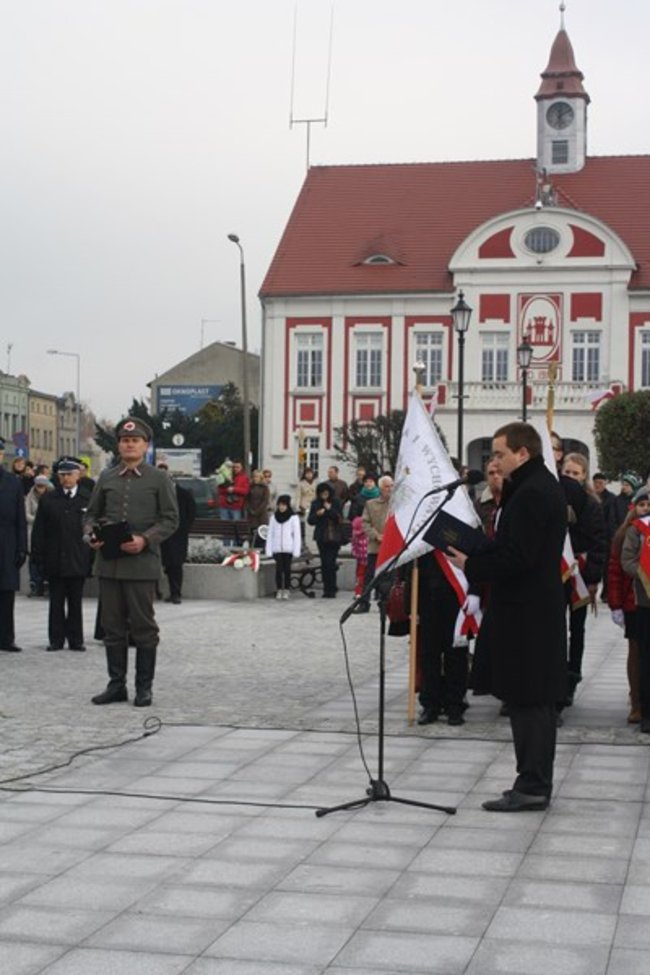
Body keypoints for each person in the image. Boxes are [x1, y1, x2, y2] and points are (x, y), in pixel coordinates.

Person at [448, 422, 567, 812]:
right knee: (527, 699)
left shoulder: (533, 493)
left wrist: (473, 563)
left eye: (498, 453)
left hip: (528, 613)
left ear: (522, 453)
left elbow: (520, 557)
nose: (492, 460)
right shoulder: (532, 487)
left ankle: (533, 784)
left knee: (531, 700)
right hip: (529, 609)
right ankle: (530, 780)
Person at [85, 417, 179, 707]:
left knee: (143, 627)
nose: (129, 444)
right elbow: (91, 514)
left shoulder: (159, 479)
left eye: (135, 440)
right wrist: (92, 535)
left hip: (141, 564)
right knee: (112, 627)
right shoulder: (107, 477)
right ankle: (116, 686)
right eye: (125, 441)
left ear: (145, 445)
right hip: (110, 563)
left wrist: (145, 539)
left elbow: (171, 519)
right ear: (119, 445)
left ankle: (143, 687)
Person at [31, 457, 92, 651]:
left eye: (69, 475)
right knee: (56, 602)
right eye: (62, 475)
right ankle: (56, 639)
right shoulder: (49, 499)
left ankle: (76, 639)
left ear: (78, 476)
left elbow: (94, 529)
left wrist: (91, 557)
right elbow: (39, 530)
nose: (66, 479)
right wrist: (38, 556)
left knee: (75, 602)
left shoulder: (86, 498)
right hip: (55, 557)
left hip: (77, 557)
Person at [560, 452, 606, 706]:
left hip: (580, 572)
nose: (570, 477)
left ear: (584, 476)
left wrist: (593, 579)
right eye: (567, 473)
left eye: (575, 474)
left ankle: (571, 676)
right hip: (556, 572)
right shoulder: (553, 498)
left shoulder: (592, 504)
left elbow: (599, 543)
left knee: (577, 629)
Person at [608, 493, 646, 724]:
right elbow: (615, 571)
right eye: (641, 505)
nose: (645, 509)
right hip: (633, 603)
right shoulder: (625, 533)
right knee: (636, 653)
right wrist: (615, 604)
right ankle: (636, 701)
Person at [621, 486, 650, 735]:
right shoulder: (637, 530)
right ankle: (645, 711)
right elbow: (626, 560)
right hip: (645, 601)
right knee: (645, 658)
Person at [0, 438, 27, 652]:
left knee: (7, 594)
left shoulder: (12, 482)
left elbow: (20, 518)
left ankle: (6, 638)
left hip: (7, 544)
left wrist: (21, 548)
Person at [156, 463, 196, 605]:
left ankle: (176, 593)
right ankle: (155, 592)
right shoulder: (155, 493)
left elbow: (191, 513)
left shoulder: (183, 493)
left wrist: (184, 528)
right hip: (159, 534)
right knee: (157, 562)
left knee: (176, 564)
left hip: (178, 535)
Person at [355, 474, 393, 612]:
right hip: (375, 547)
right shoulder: (371, 504)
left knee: (389, 578)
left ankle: (386, 603)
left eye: (392, 486)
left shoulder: (398, 504)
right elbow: (365, 523)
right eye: (387, 486)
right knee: (369, 577)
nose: (390, 489)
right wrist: (376, 536)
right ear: (381, 488)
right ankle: (364, 603)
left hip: (392, 549)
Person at [308, 482, 344, 598]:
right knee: (324, 564)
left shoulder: (336, 502)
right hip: (322, 537)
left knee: (331, 563)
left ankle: (332, 588)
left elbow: (339, 518)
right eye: (322, 493)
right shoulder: (315, 503)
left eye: (326, 493)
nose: (324, 495)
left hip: (334, 537)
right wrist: (317, 514)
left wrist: (329, 510)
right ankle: (326, 589)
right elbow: (310, 521)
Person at [265, 495, 302, 599]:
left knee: (287, 570)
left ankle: (286, 589)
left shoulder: (293, 518)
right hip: (277, 548)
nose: (281, 507)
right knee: (278, 569)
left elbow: (297, 535)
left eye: (284, 505)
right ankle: (279, 589)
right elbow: (270, 534)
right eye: (280, 505)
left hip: (288, 548)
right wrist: (269, 549)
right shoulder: (273, 517)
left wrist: (296, 550)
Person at [25, 474, 54, 596]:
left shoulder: (51, 497)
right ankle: (34, 583)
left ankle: (45, 583)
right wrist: (38, 520)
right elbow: (26, 513)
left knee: (46, 558)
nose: (40, 489)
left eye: (42, 486)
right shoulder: (30, 496)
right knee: (33, 558)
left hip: (48, 531)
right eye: (38, 486)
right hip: (33, 529)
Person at [593, 472, 615, 603]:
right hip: (593, 536)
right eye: (596, 483)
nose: (598, 485)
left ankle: (606, 593)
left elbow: (611, 519)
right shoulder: (591, 496)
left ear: (605, 483)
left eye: (600, 483)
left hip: (605, 536)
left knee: (606, 567)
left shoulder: (611, 499)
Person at [476, 459, 503, 537]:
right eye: (491, 473)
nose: (495, 476)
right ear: (486, 477)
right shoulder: (479, 505)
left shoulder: (515, 500)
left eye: (499, 472)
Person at [295, 466, 317, 551]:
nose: (309, 475)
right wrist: (298, 508)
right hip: (304, 506)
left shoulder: (316, 483)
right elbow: (298, 496)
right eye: (307, 473)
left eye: (310, 473)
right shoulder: (301, 484)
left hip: (313, 506)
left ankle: (313, 544)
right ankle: (305, 543)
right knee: (304, 526)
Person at [246, 469, 270, 538]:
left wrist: (257, 511)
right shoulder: (250, 487)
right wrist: (249, 509)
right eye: (254, 476)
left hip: (261, 515)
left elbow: (265, 500)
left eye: (257, 477)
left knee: (261, 534)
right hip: (251, 514)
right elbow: (247, 499)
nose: (255, 478)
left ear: (260, 478)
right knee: (251, 533)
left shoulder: (265, 488)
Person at [350, 515, 368, 596]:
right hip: (370, 558)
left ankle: (358, 592)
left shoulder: (355, 535)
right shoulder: (367, 535)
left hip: (360, 560)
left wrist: (356, 554)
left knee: (360, 575)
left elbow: (353, 547)